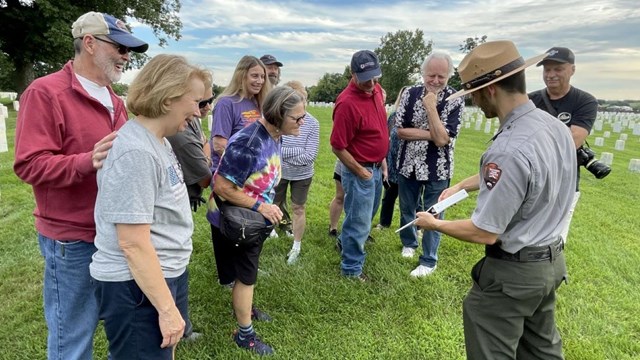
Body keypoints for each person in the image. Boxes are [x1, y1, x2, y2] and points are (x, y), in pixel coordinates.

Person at [415, 40, 576, 359]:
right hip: (551, 262)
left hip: (513, 276)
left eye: (472, 93)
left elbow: (485, 231)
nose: (473, 100)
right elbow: (528, 176)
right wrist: (464, 183)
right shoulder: (554, 127)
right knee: (541, 350)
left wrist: (435, 223)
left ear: (489, 91)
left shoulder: (506, 150)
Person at [13, 11, 148, 360]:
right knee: (72, 333)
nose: (126, 56)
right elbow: (28, 164)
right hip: (71, 238)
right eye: (119, 47)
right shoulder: (45, 93)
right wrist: (85, 161)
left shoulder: (116, 100)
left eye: (127, 50)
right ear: (89, 43)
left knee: (110, 320)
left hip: (111, 232)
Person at [90, 54, 207, 359]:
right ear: (168, 98)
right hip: (136, 287)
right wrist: (167, 309)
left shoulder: (160, 141)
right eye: (194, 101)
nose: (198, 111)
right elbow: (133, 243)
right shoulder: (136, 153)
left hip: (161, 276)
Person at [208, 86, 306, 355]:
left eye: (303, 116)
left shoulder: (276, 134)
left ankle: (246, 307)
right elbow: (222, 187)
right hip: (237, 221)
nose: (302, 122)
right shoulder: (249, 142)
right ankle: (244, 335)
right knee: (246, 277)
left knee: (245, 275)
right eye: (297, 118)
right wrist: (261, 206)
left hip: (250, 219)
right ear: (277, 115)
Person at [395, 51, 464, 277]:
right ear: (423, 73)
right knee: (407, 207)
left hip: (438, 168)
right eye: (431, 75)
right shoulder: (409, 93)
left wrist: (431, 108)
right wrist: (433, 133)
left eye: (441, 77)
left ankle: (428, 260)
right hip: (408, 164)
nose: (435, 81)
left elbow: (445, 139)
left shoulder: (455, 98)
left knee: (434, 214)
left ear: (448, 76)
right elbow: (401, 131)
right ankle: (409, 243)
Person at [529, 47, 598, 244]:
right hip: (531, 178)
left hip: (563, 182)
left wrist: (534, 141)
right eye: (546, 70)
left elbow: (573, 141)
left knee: (554, 239)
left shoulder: (584, 101)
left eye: (557, 69)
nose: (550, 75)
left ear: (572, 70)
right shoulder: (531, 100)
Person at [164, 71, 214, 344]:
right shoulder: (180, 136)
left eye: (205, 101)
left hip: (177, 230)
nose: (201, 110)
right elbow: (205, 175)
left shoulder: (186, 126)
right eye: (197, 102)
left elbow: (205, 151)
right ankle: (175, 327)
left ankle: (181, 327)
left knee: (180, 269)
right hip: (165, 241)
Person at [330, 50, 388, 281]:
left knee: (365, 214)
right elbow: (337, 146)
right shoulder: (347, 103)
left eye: (375, 77)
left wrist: (382, 161)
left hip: (375, 167)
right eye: (366, 78)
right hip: (360, 170)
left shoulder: (375, 92)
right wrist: (361, 171)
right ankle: (351, 269)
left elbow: (378, 130)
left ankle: (344, 243)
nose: (372, 83)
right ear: (353, 74)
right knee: (359, 220)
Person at [273, 81, 320, 264]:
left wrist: (285, 154)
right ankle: (274, 229)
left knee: (298, 207)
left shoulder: (313, 123)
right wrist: (293, 152)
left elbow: (309, 156)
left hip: (302, 174)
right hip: (279, 171)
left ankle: (296, 245)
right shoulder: (279, 120)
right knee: (274, 203)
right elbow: (273, 149)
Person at [376, 86, 408, 229]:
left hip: (408, 162)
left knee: (411, 198)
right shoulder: (394, 116)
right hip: (392, 160)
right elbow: (385, 136)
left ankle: (416, 226)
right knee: (389, 194)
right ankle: (384, 222)